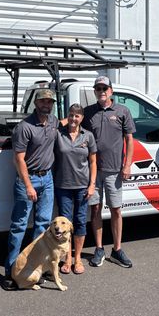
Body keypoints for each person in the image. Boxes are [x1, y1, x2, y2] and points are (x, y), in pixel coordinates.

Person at [3, 89, 59, 289]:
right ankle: (10, 271)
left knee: (43, 225)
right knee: (18, 226)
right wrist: (28, 185)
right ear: (36, 103)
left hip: (48, 178)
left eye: (50, 102)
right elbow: (18, 159)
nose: (47, 104)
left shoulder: (53, 122)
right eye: (43, 101)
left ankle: (35, 267)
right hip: (28, 179)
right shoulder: (24, 127)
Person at [83, 76, 135, 268]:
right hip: (94, 171)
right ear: (95, 91)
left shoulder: (122, 111)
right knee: (95, 208)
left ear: (111, 91)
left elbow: (129, 139)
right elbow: (73, 126)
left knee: (116, 210)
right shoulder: (88, 112)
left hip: (115, 171)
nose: (101, 91)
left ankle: (117, 249)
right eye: (98, 88)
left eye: (105, 87)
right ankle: (99, 249)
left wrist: (127, 164)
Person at [54, 103, 97, 275]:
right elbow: (53, 124)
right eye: (71, 115)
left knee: (79, 221)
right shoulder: (59, 134)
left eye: (77, 116)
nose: (73, 119)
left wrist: (92, 184)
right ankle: (67, 258)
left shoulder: (88, 136)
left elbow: (93, 162)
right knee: (64, 224)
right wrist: (64, 122)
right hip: (63, 185)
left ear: (82, 118)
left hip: (82, 187)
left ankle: (77, 258)